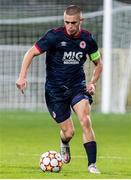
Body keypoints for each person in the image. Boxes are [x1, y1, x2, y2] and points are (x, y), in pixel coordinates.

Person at [16, 5, 103, 174]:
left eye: (73, 23)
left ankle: (92, 165)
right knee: (69, 132)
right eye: (66, 22)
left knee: (85, 120)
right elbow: (31, 52)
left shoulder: (88, 40)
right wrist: (22, 76)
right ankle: (64, 142)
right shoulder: (54, 36)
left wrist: (92, 82)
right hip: (55, 92)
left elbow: (98, 64)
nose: (69, 26)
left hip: (78, 87)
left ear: (81, 21)